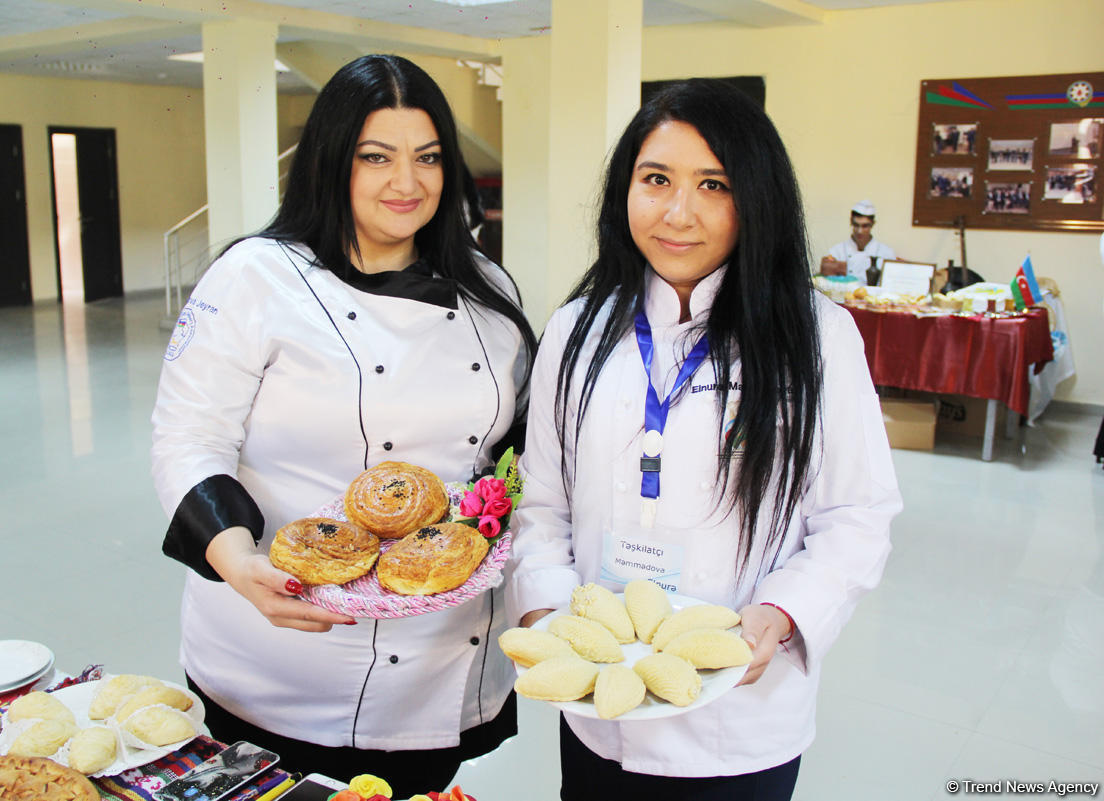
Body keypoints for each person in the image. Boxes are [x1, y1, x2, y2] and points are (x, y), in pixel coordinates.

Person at [151, 54, 537, 796]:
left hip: (438, 658)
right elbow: (188, 436)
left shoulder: (489, 288)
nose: (408, 182)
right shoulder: (256, 278)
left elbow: (514, 457)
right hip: (284, 647)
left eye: (428, 157)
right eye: (376, 157)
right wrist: (236, 559)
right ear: (333, 161)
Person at [508, 79, 901, 799]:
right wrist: (551, 613)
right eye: (655, 179)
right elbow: (542, 504)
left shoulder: (815, 336)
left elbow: (858, 512)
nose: (677, 213)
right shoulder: (577, 330)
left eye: (713, 184)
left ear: (756, 197)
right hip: (599, 710)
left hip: (740, 721)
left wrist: (781, 614)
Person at [818, 199, 896, 282]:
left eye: (865, 226)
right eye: (856, 225)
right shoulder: (836, 251)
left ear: (873, 224)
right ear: (851, 222)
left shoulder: (886, 253)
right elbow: (827, 282)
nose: (860, 231)